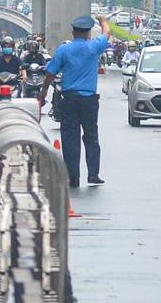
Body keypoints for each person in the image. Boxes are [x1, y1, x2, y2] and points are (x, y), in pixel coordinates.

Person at [47, 14, 113, 188]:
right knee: (91, 136)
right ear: (88, 33)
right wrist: (103, 21)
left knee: (70, 138)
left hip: (69, 99)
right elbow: (107, 33)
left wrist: (42, 92)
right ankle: (93, 175)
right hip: (89, 101)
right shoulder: (94, 47)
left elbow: (50, 73)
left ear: (73, 31)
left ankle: (73, 177)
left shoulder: (63, 50)